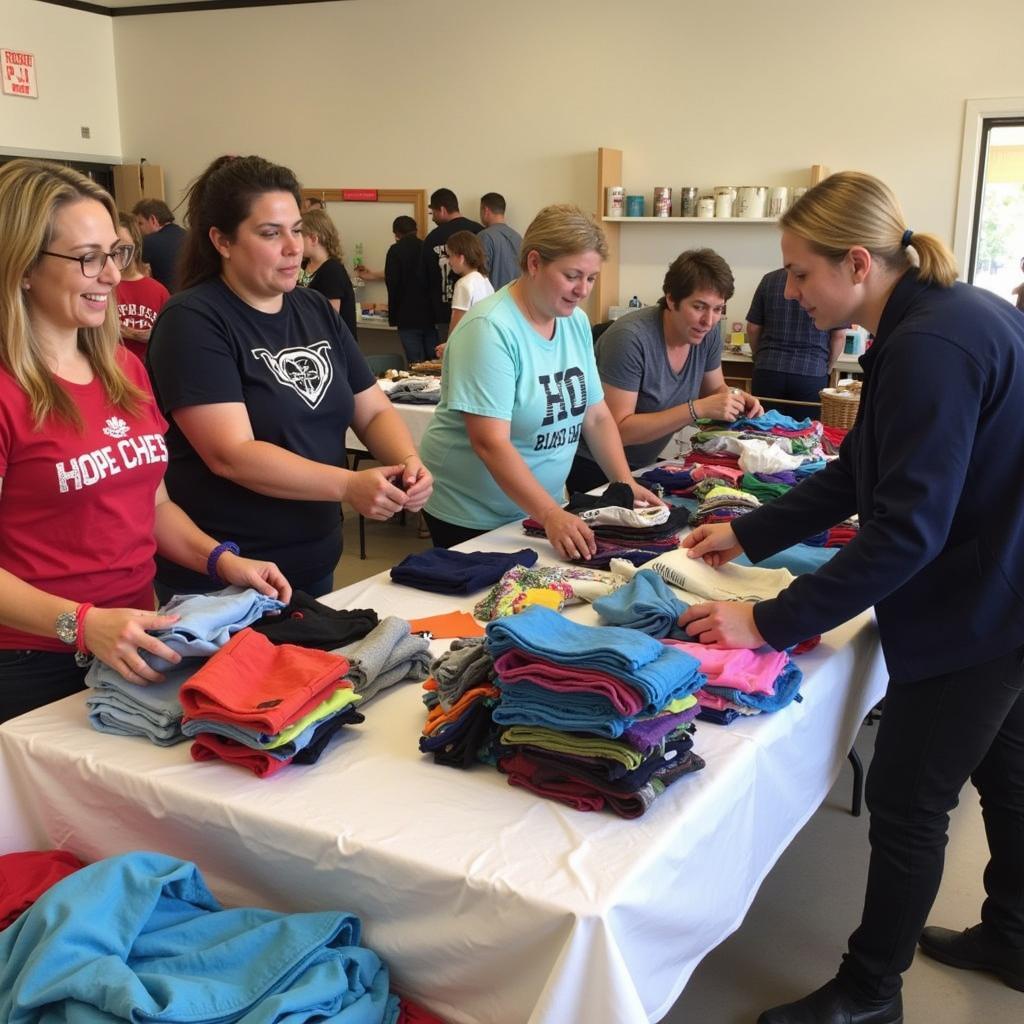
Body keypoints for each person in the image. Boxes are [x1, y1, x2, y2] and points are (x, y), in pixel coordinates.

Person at [677, 171, 1024, 1024]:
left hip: (981, 608)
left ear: (858, 264)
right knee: (1008, 775)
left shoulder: (927, 348)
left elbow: (906, 531)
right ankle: (1015, 935)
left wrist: (765, 621)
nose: (791, 294)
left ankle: (870, 994)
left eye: (801, 274)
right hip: (1009, 586)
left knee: (910, 804)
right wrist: (749, 531)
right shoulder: (947, 315)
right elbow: (859, 471)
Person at [0, 159, 290, 723]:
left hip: (138, 640)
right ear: (23, 267)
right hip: (32, 664)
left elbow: (150, 505)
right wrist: (83, 623)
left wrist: (222, 562)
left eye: (117, 253)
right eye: (88, 258)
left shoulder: (122, 370)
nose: (111, 276)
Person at [147, 155, 432, 600]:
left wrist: (407, 464)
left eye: (296, 229)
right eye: (270, 233)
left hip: (314, 555)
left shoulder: (313, 308)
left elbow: (373, 409)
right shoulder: (193, 320)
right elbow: (231, 454)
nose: (292, 246)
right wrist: (348, 485)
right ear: (222, 241)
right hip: (228, 572)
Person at [419, 204, 663, 556]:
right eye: (572, 275)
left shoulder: (574, 322)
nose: (583, 289)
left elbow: (595, 416)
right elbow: (490, 442)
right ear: (534, 263)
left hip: (535, 509)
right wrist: (549, 514)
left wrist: (623, 481)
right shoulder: (490, 330)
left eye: (591, 278)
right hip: (472, 516)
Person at [567, 248, 763, 494]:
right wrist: (696, 409)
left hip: (644, 464)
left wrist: (735, 397)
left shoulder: (708, 332)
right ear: (671, 299)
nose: (709, 320)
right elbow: (617, 430)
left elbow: (713, 388)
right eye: (699, 307)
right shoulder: (630, 339)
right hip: (595, 465)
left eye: (718, 309)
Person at [746, 265, 848, 418]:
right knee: (804, 436)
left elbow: (753, 328)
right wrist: (828, 368)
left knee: (763, 432)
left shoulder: (769, 280)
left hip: (768, 369)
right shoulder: (826, 281)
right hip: (811, 372)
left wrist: (758, 357)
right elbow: (838, 335)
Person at [356, 215, 437, 365]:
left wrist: (393, 311)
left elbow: (393, 280)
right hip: (430, 315)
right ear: (416, 230)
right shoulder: (426, 247)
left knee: (415, 363)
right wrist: (373, 275)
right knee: (434, 361)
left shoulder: (395, 250)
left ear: (396, 233)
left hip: (406, 315)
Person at [420, 188, 482, 340]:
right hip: (479, 318)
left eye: (432, 213)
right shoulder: (479, 231)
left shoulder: (433, 238)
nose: (433, 218)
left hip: (443, 311)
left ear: (442, 209)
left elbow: (424, 277)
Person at [114, 212, 169, 362]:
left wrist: (155, 336)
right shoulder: (102, 288)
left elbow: (171, 338)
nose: (117, 254)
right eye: (112, 248)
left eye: (124, 247)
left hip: (149, 371)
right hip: (113, 371)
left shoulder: (159, 291)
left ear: (136, 247)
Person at [298, 208, 358, 337]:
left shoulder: (332, 270)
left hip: (332, 344)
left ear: (314, 239)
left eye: (299, 236)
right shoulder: (303, 265)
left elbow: (329, 318)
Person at [435, 229, 494, 356]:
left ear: (461, 258)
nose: (449, 262)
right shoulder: (485, 280)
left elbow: (457, 324)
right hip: (484, 345)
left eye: (450, 256)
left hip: (467, 348)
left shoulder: (463, 284)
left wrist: (448, 346)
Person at [131, 198, 186, 292]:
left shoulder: (148, 242)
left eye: (140, 223)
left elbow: (135, 277)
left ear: (153, 220)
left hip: (166, 300)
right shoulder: (188, 236)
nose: (138, 230)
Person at [478, 192, 522, 290]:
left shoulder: (484, 236)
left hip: (492, 301)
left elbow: (479, 276)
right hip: (515, 300)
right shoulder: (518, 237)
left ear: (486, 210)